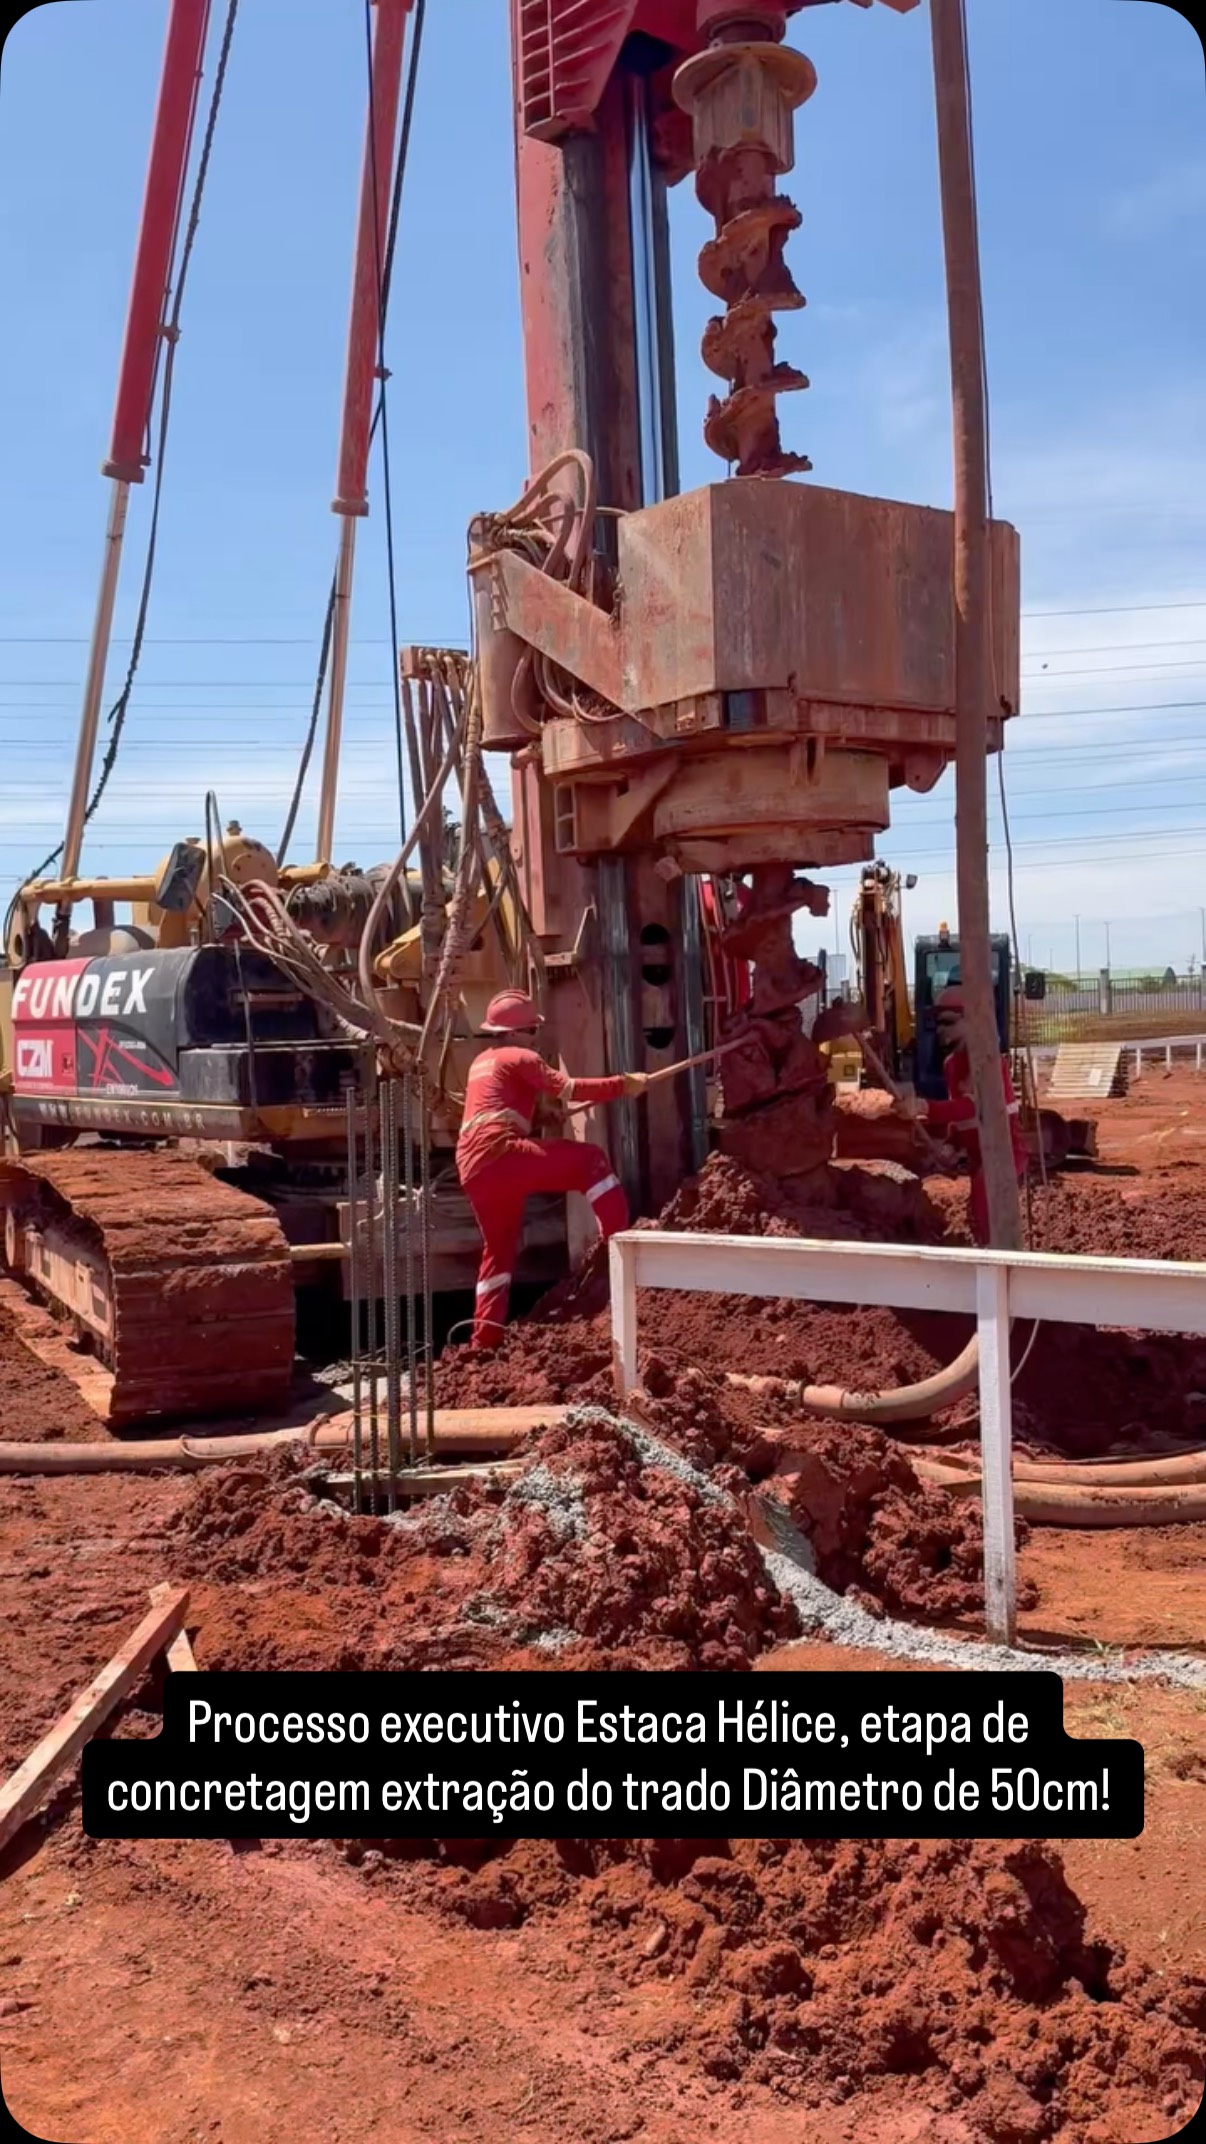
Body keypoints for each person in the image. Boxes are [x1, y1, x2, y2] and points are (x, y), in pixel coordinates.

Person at [455, 988, 648, 1349]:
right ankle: (617, 1255)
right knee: (591, 1162)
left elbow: (497, 1109)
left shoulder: (482, 1062)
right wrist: (623, 1085)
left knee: (498, 1251)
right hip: (501, 1155)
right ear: (516, 1031)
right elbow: (571, 1089)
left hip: (473, 1168)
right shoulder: (522, 1056)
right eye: (531, 1030)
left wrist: (543, 1115)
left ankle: (485, 1339)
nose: (535, 1037)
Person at [903, 985, 1027, 1244]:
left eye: (948, 1022)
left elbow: (976, 1106)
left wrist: (925, 1108)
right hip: (978, 1154)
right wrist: (951, 1145)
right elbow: (959, 1116)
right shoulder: (951, 1066)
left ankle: (1000, 1261)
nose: (940, 1030)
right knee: (978, 1213)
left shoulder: (990, 1063)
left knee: (987, 1205)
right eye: (937, 1023)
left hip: (1004, 1150)